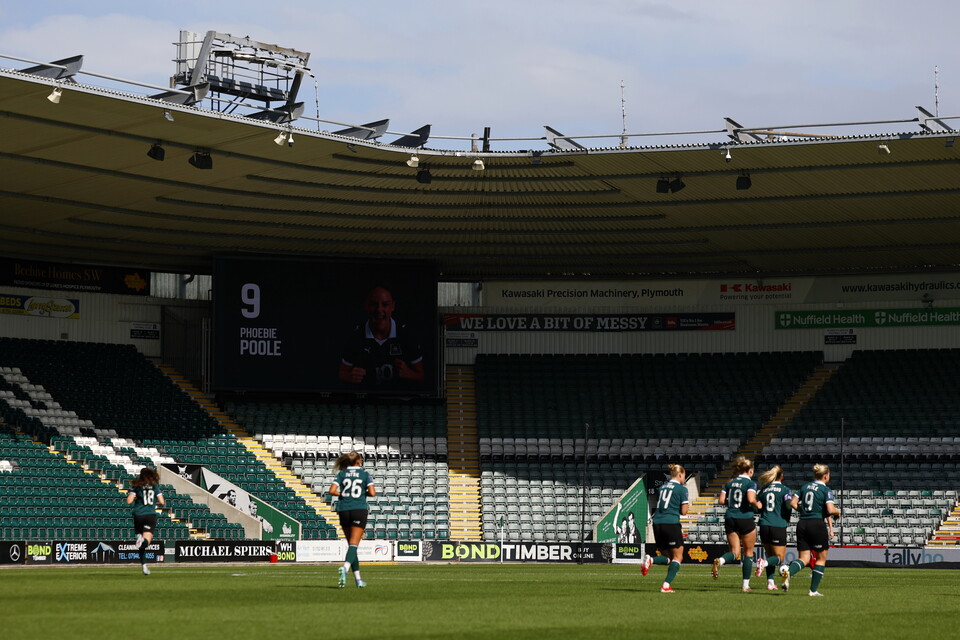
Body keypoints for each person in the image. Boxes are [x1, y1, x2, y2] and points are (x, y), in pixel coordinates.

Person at [339, 285, 425, 389]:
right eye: (374, 304)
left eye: (385, 304)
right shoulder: (355, 336)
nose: (379, 309)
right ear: (366, 306)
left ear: (393, 306)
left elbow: (422, 376)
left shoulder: (407, 335)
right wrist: (349, 376)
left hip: (398, 397)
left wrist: (409, 373)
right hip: (365, 397)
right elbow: (342, 373)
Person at [780, 463, 841, 596]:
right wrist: (838, 512)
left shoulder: (805, 487)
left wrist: (803, 511)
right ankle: (813, 591)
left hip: (802, 523)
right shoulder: (826, 490)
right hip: (817, 524)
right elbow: (830, 510)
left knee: (804, 558)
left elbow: (792, 503)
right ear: (826, 476)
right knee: (820, 559)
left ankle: (789, 572)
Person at [713, 456, 764, 592]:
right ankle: (745, 586)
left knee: (734, 552)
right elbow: (751, 499)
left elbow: (721, 501)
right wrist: (758, 504)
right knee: (748, 552)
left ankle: (721, 560)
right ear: (750, 470)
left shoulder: (729, 483)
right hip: (744, 518)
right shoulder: (750, 484)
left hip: (730, 518)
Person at [329, 451, 376, 588]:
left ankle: (358, 580)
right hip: (358, 509)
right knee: (354, 545)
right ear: (358, 461)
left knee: (351, 545)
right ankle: (345, 568)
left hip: (343, 510)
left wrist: (344, 494)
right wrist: (362, 493)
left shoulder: (342, 474)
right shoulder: (365, 474)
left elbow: (331, 491)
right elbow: (372, 493)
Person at [641, 463, 689, 593]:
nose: (684, 478)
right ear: (680, 475)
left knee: (668, 558)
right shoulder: (682, 489)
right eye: (684, 475)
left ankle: (651, 560)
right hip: (671, 523)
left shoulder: (661, 488)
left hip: (657, 523)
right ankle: (666, 585)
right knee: (678, 557)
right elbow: (684, 511)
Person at [756, 465, 795, 591]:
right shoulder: (785, 490)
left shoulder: (764, 490)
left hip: (764, 525)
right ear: (781, 476)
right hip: (778, 525)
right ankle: (763, 563)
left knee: (770, 555)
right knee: (779, 557)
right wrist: (788, 517)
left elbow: (757, 507)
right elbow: (788, 506)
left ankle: (770, 583)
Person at [126, 467, 165, 575]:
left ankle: (144, 566)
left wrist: (137, 498)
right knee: (146, 541)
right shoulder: (154, 486)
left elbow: (129, 501)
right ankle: (142, 541)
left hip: (138, 515)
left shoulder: (137, 486)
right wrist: (153, 502)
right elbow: (162, 502)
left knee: (140, 543)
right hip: (150, 515)